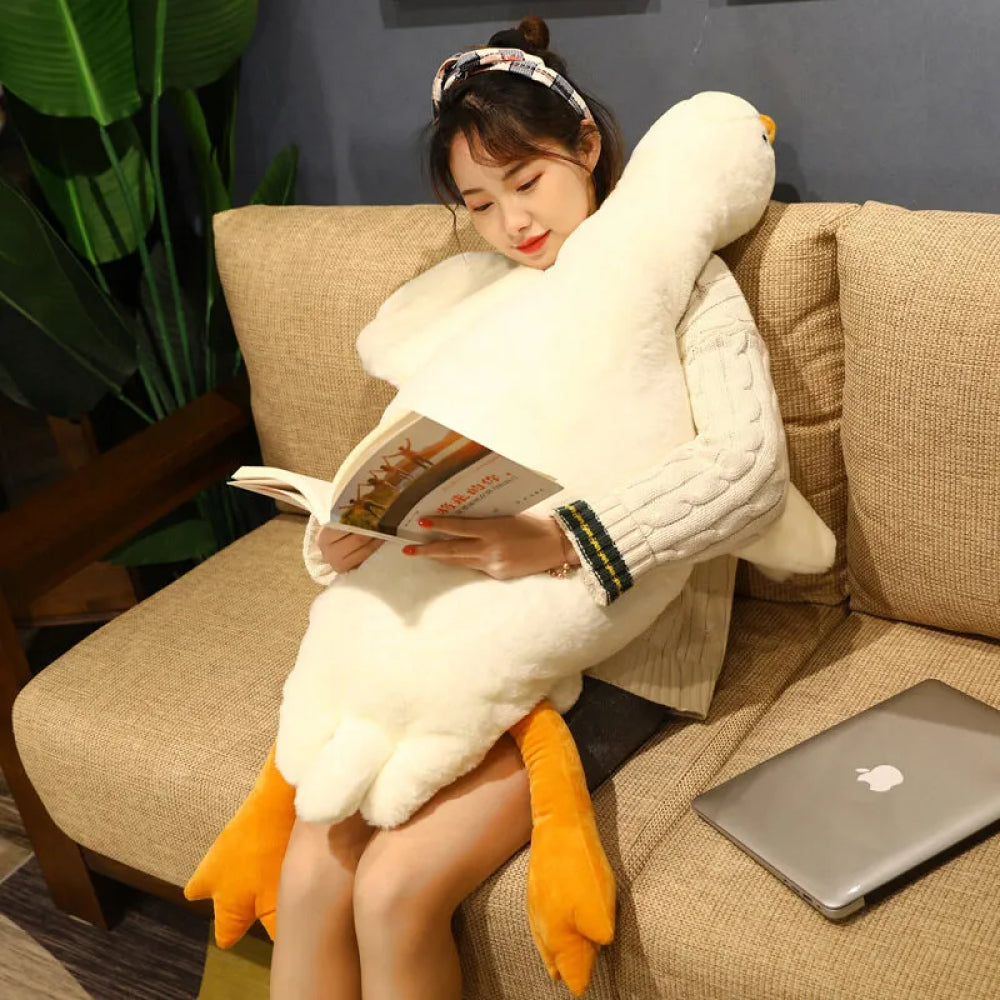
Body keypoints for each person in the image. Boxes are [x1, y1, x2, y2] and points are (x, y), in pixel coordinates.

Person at [269, 16, 789, 1000]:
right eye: (480, 202)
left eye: (527, 181)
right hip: (446, 629)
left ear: (585, 145)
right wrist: (343, 538)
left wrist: (561, 540)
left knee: (393, 890)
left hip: (616, 649)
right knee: (307, 876)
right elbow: (401, 460)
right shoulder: (479, 300)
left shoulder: (679, 274)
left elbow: (748, 467)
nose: (513, 222)